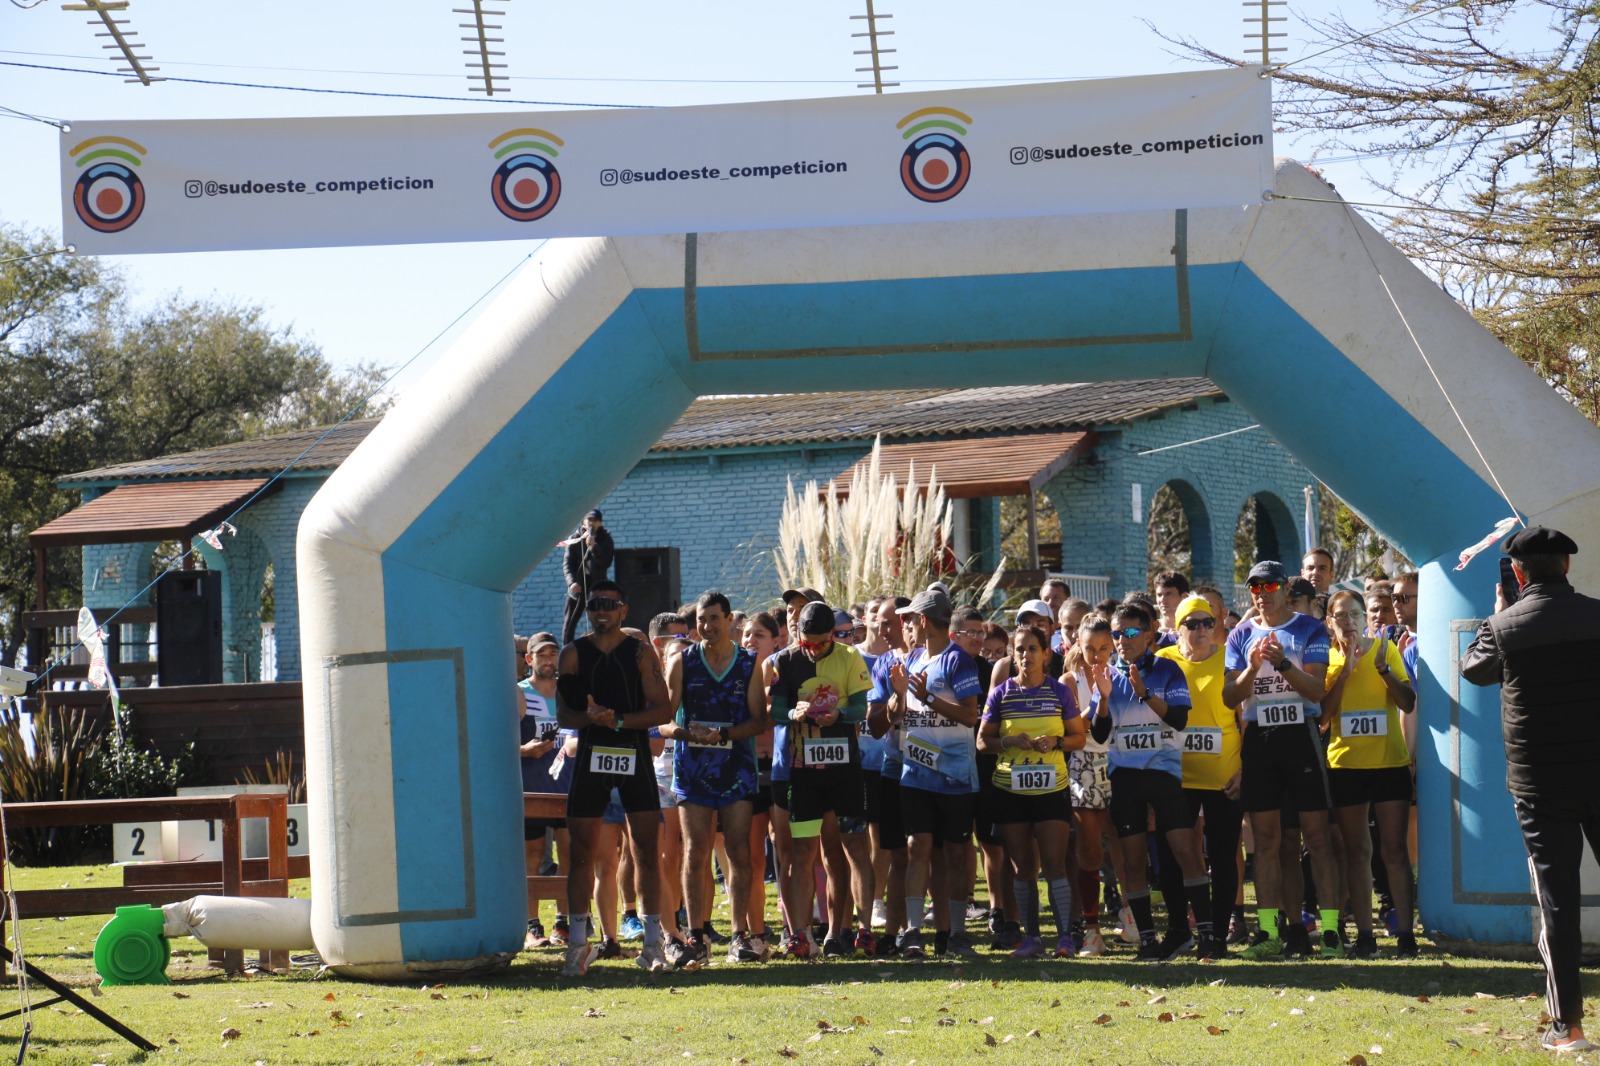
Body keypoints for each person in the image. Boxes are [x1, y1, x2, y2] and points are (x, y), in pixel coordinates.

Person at [1462, 526, 1600, 1054]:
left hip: (1540, 784)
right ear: (1566, 565)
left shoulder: (1504, 626)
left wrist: (1497, 614)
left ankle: (1569, 1027)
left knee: (1557, 903)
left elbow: (1474, 670)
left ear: (1518, 574)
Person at [555, 580, 674, 977]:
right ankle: (577, 943)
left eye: (609, 604)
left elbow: (662, 710)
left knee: (646, 851)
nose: (601, 610)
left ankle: (653, 943)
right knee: (581, 853)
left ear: (624, 609)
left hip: (633, 755)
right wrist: (589, 717)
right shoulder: (573, 653)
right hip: (591, 756)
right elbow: (564, 715)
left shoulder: (640, 651)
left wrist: (619, 720)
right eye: (594, 604)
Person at [1224, 561, 1340, 960]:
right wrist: (1252, 668)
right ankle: (1272, 933)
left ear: (1284, 589)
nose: (1262, 593)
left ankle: (1330, 933)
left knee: (1316, 838)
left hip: (1300, 737)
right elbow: (1229, 696)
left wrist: (1283, 664)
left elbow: (1316, 690)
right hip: (1260, 739)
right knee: (1268, 843)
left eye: (1270, 585)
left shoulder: (1309, 628)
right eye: (1255, 587)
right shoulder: (1240, 634)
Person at [1088, 601, 1208, 961]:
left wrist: (1145, 694)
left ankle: (1207, 935)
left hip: (1164, 774)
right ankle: (1148, 940)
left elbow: (1180, 720)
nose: (1121, 640)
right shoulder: (1108, 675)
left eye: (1129, 632)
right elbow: (1100, 733)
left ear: (1148, 634)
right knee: (1133, 860)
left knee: (1185, 851)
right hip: (1125, 777)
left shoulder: (1167, 669)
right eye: (1116, 633)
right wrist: (1103, 699)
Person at [662, 591, 768, 966]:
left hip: (737, 770)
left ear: (729, 620)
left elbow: (759, 720)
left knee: (739, 851)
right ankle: (696, 935)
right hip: (693, 771)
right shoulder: (682, 662)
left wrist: (723, 735)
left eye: (714, 619)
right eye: (701, 620)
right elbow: (664, 717)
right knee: (695, 851)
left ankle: (739, 936)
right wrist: (685, 732)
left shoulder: (749, 663)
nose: (707, 626)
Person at [768, 600, 873, 959]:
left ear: (833, 634)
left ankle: (860, 930)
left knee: (854, 847)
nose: (812, 649)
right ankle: (799, 933)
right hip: (803, 772)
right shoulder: (785, 660)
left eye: (821, 643)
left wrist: (839, 714)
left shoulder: (849, 657)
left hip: (845, 770)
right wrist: (793, 713)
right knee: (802, 851)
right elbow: (774, 710)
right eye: (806, 642)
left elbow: (861, 708)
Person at [978, 624, 1087, 958]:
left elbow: (1079, 738)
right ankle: (1033, 938)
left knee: (1054, 865)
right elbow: (982, 741)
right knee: (1023, 868)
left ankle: (1065, 938)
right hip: (1010, 791)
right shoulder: (1001, 693)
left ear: (1046, 653)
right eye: (1020, 650)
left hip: (1051, 789)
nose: (1026, 655)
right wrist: (1008, 741)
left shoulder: (1060, 692)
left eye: (1033, 649)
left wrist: (1056, 741)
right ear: (1013, 655)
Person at [1320, 589, 1416, 959]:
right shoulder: (1326, 659)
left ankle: (1406, 935)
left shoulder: (1384, 650)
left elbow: (1407, 701)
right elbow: (1322, 716)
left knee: (1394, 849)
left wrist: (1383, 670)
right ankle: (1365, 935)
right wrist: (1345, 672)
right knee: (1357, 851)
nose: (1348, 622)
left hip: (1389, 763)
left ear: (1365, 618)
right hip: (1347, 766)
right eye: (1340, 616)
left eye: (1354, 615)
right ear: (1330, 622)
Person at [888, 588, 984, 958]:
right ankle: (913, 932)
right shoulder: (912, 658)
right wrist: (899, 696)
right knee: (917, 847)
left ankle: (956, 934)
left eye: (911, 618)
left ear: (924, 620)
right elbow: (899, 714)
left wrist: (929, 698)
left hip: (955, 774)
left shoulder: (959, 660)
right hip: (915, 773)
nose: (908, 624)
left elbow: (971, 716)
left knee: (955, 853)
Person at [1155, 595, 1244, 961]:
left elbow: (1247, 716)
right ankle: (1180, 930)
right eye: (1192, 624)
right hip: (1175, 778)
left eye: (1208, 622)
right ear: (1178, 629)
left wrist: (1244, 770)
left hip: (1224, 777)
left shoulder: (1230, 658)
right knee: (1171, 857)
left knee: (1223, 858)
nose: (1202, 629)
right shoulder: (1163, 661)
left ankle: (1217, 936)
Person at [1062, 614, 1120, 955]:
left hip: (1119, 762)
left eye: (1103, 648)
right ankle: (1092, 929)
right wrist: (1098, 698)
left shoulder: (1121, 674)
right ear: (1078, 646)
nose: (1097, 655)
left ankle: (1132, 919)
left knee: (1126, 848)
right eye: (1090, 648)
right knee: (1090, 852)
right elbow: (1072, 729)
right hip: (1084, 766)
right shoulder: (1069, 680)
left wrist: (1108, 692)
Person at [519, 632, 576, 948]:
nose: (548, 660)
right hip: (532, 790)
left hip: (567, 788)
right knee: (533, 857)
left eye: (553, 654)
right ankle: (531, 927)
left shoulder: (570, 692)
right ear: (529, 659)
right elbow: (498, 742)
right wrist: (524, 750)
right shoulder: (519, 693)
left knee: (569, 856)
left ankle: (562, 923)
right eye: (541, 655)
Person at [562, 509, 615, 645]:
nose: (592, 523)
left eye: (595, 520)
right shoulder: (574, 539)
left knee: (600, 618)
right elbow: (568, 564)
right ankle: (567, 648)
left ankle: (601, 646)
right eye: (589, 520)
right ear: (583, 522)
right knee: (570, 621)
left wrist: (594, 546)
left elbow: (606, 562)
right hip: (578, 587)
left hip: (596, 586)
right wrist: (572, 583)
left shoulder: (605, 538)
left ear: (600, 523)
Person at [1152, 570, 1191, 644]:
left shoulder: (1196, 629)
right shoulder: (1150, 631)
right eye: (1159, 595)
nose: (1162, 600)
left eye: (1169, 594)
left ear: (1184, 597)